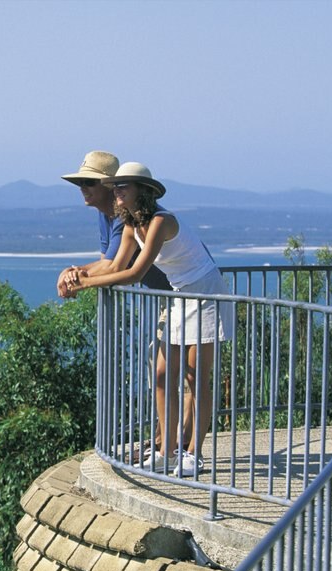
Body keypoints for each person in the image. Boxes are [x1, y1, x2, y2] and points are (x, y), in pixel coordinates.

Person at [64, 162, 233, 477]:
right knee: (162, 374)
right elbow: (116, 266)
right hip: (179, 295)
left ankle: (193, 453)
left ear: (143, 191)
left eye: (123, 187)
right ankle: (167, 451)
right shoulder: (130, 225)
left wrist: (83, 284)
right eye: (115, 187)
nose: (116, 193)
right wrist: (77, 275)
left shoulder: (160, 221)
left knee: (196, 378)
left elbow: (135, 273)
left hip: (206, 293)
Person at [57, 151, 169, 298]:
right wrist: (72, 271)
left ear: (108, 186)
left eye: (89, 182)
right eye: (80, 183)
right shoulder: (105, 214)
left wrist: (74, 280)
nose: (82, 188)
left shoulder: (127, 217)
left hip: (183, 291)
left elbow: (112, 267)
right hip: (170, 294)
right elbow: (106, 261)